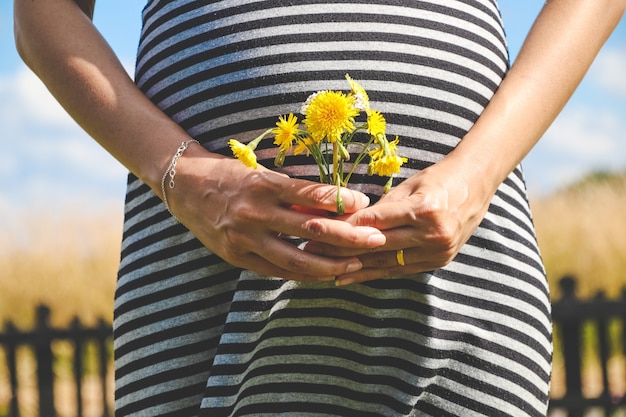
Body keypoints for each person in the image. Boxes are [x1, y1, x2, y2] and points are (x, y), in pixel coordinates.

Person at [14, 0, 624, 415]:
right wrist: (185, 176)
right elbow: (42, 13)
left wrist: (478, 173)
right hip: (202, 265)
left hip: (464, 258)